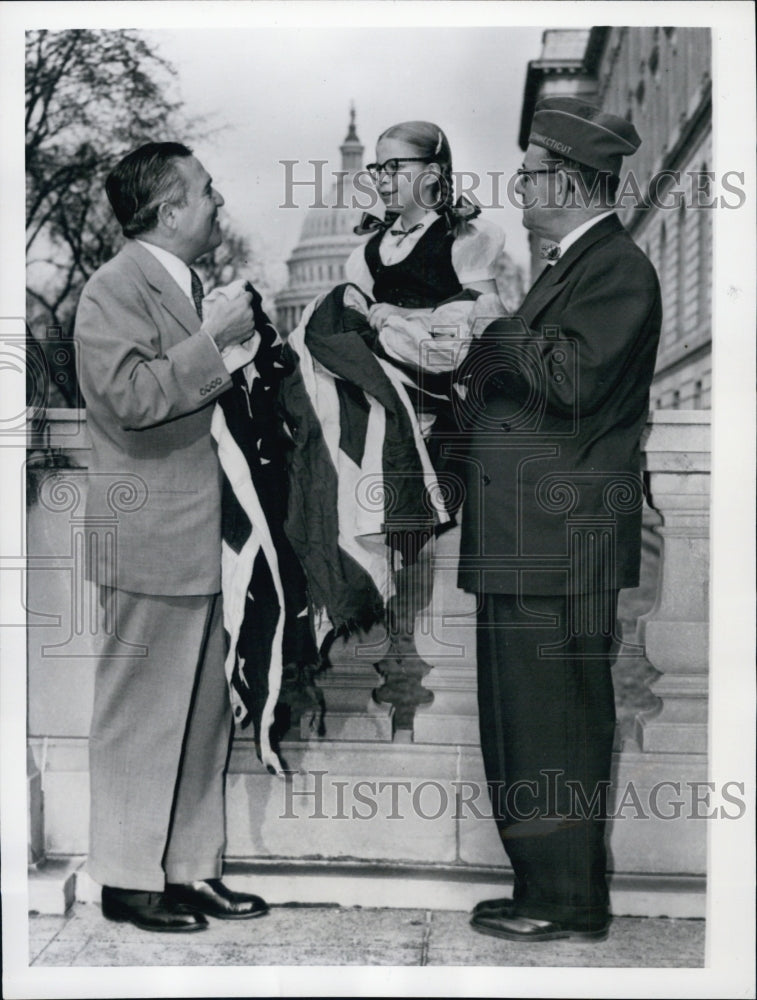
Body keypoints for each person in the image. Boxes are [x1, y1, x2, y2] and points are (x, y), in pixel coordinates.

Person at [457, 97, 662, 942]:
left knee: (557, 724)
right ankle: (540, 884)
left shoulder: (615, 267)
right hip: (528, 538)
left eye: (531, 172)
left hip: (558, 541)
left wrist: (490, 330)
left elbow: (573, 381)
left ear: (571, 183)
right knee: (522, 724)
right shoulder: (570, 266)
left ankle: (566, 900)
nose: (519, 184)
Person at [74, 142, 270, 932]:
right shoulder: (113, 287)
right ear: (168, 211)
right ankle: (125, 880)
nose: (217, 201)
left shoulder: (183, 283)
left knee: (200, 713)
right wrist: (216, 337)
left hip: (204, 533)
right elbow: (128, 399)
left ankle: (190, 870)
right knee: (140, 713)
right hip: (148, 532)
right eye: (205, 191)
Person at [341, 120, 507, 717]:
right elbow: (344, 327)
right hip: (383, 415)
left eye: (396, 168)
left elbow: (479, 332)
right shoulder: (368, 250)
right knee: (385, 545)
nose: (383, 180)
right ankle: (397, 679)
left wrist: (392, 321)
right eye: (378, 170)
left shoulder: (466, 241)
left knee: (421, 551)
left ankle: (413, 689)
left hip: (445, 422)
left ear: (433, 172)